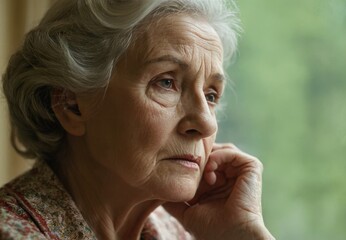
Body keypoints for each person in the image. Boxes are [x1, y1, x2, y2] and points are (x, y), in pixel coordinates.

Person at [0, 0, 275, 239]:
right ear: (71, 105)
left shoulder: (174, 231)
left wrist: (244, 235)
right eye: (166, 82)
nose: (207, 123)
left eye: (211, 95)